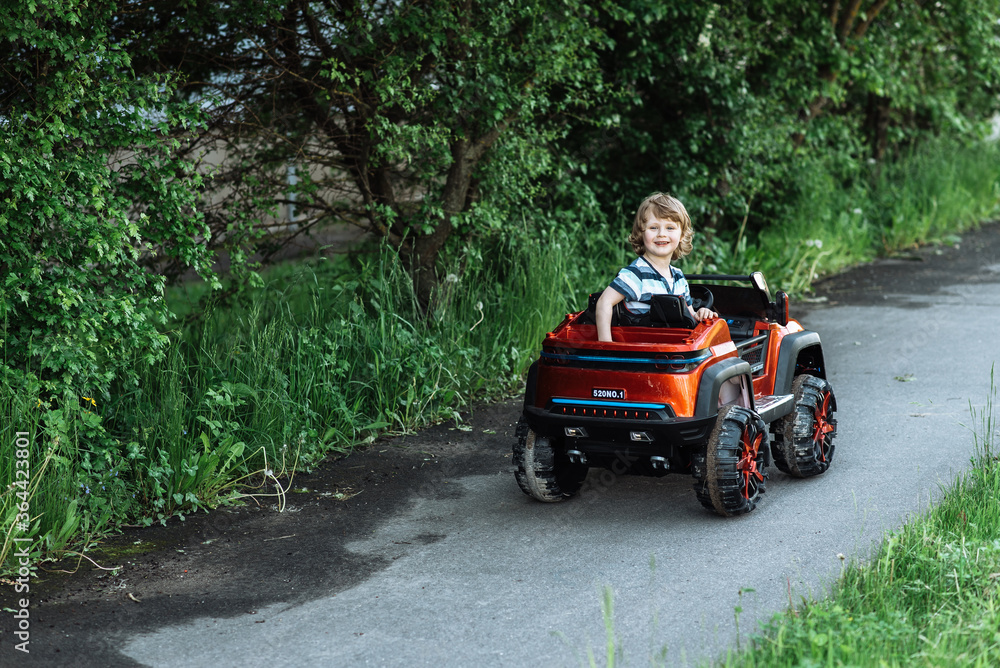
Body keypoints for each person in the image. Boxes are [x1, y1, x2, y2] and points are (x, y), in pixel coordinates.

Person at [596, 193, 717, 343]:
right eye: (653, 227)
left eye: (670, 228)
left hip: (672, 354)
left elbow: (690, 316)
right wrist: (606, 344)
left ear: (681, 235)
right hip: (642, 354)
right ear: (641, 233)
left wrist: (700, 313)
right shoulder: (637, 274)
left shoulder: (679, 277)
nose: (661, 234)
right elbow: (604, 302)